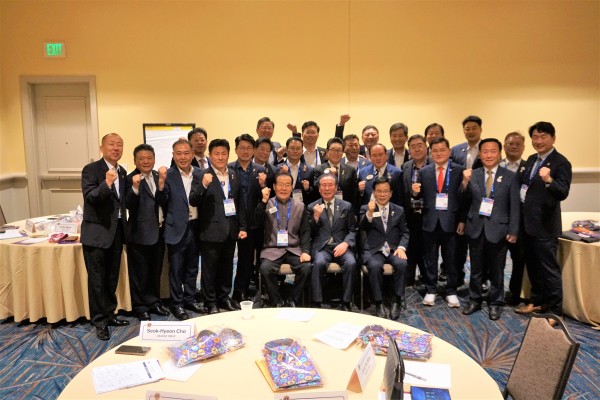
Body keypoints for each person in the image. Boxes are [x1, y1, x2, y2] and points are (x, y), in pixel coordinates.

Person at [459, 138, 520, 321]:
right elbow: (463, 200)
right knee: (476, 268)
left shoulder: (510, 176)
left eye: (493, 151)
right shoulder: (473, 174)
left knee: (497, 270)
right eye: (485, 151)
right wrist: (464, 182)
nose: (489, 155)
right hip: (476, 227)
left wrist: (513, 230)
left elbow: (514, 206)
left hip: (499, 229)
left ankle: (495, 303)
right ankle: (475, 300)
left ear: (499, 154)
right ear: (480, 154)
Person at [515, 122, 572, 319]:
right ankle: (537, 302)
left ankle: (555, 312)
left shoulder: (561, 163)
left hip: (545, 225)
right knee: (532, 266)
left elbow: (563, 192)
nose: (539, 141)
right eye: (535, 137)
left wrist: (549, 180)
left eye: (543, 136)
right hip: (527, 223)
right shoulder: (532, 159)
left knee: (549, 270)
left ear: (553, 138)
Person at [189, 139, 247, 314]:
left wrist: (242, 227)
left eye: (223, 154)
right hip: (210, 230)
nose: (220, 157)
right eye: (216, 154)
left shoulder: (233, 174)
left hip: (231, 229)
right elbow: (193, 200)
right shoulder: (201, 175)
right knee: (209, 269)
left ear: (228, 155)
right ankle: (210, 301)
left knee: (227, 266)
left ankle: (224, 297)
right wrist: (204, 185)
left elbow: (240, 203)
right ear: (210, 155)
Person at [81, 133, 129, 340]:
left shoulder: (123, 172)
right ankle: (99, 321)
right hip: (96, 234)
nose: (116, 148)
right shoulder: (91, 170)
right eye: (111, 144)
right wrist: (107, 183)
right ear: (102, 148)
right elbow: (91, 197)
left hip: (116, 232)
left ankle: (110, 314)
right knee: (97, 280)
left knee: (111, 277)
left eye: (120, 144)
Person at [413, 137, 465, 308]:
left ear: (449, 152)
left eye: (442, 150)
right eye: (434, 151)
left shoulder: (459, 171)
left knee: (451, 259)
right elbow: (419, 197)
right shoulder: (424, 172)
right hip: (430, 221)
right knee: (430, 258)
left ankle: (451, 291)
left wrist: (462, 220)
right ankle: (431, 289)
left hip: (451, 221)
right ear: (430, 153)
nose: (438, 153)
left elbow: (464, 198)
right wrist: (414, 193)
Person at [156, 139, 205, 320]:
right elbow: (161, 200)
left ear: (192, 154)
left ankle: (189, 299)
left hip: (196, 226)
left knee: (192, 267)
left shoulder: (200, 173)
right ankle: (176, 304)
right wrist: (161, 184)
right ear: (173, 155)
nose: (182, 157)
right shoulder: (168, 175)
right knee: (176, 269)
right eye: (179, 153)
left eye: (186, 153)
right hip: (176, 228)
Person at [125, 144, 170, 321]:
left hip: (159, 232)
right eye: (141, 159)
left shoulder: (159, 176)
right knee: (140, 274)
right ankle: (140, 306)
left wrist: (161, 185)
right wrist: (135, 188)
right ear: (135, 161)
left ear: (154, 159)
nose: (146, 161)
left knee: (155, 271)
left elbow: (164, 200)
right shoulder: (130, 178)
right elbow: (128, 204)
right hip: (139, 234)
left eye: (149, 158)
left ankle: (154, 302)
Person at [257, 173, 312, 307]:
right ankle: (276, 301)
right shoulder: (267, 203)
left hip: (294, 249)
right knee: (265, 268)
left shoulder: (300, 206)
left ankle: (293, 300)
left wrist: (305, 251)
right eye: (280, 185)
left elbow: (305, 231)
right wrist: (263, 202)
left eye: (288, 185)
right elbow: (256, 222)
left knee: (306, 267)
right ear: (274, 186)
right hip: (272, 249)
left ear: (292, 187)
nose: (284, 188)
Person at [359, 176, 410, 320]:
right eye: (379, 191)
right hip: (374, 250)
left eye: (386, 191)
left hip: (393, 249)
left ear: (391, 193)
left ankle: (396, 300)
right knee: (375, 266)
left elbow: (405, 232)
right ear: (374, 193)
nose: (382, 194)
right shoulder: (366, 208)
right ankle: (379, 302)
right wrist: (369, 213)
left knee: (402, 264)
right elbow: (362, 227)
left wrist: (402, 247)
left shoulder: (399, 210)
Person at [308, 174, 358, 311]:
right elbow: (309, 232)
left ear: (336, 188)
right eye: (323, 185)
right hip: (322, 248)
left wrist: (346, 243)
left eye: (330, 185)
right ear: (319, 189)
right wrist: (315, 217)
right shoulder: (312, 207)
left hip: (342, 246)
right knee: (318, 263)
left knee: (351, 263)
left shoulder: (346, 206)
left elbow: (353, 229)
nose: (327, 188)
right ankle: (317, 301)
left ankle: (346, 301)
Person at [228, 134, 268, 302]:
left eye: (249, 148)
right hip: (231, 220)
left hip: (252, 222)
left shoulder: (260, 170)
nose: (245, 151)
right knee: (228, 258)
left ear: (253, 150)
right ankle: (225, 292)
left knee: (246, 258)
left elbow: (265, 196)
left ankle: (241, 291)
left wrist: (263, 184)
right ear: (236, 150)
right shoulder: (228, 169)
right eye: (242, 148)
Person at [499, 131, 528, 306]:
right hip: (498, 221)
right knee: (496, 260)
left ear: (523, 147)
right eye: (510, 144)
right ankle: (495, 292)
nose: (514, 147)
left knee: (518, 260)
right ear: (504, 146)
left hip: (520, 223)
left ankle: (515, 292)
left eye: (518, 144)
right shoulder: (496, 166)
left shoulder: (529, 167)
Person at [400, 134, 430, 286]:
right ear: (409, 150)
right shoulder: (406, 166)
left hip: (428, 214)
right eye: (413, 147)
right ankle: (409, 280)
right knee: (411, 247)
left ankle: (428, 279)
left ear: (426, 147)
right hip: (411, 214)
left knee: (428, 249)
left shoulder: (433, 165)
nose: (417, 149)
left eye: (420, 145)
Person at [313, 137, 358, 211]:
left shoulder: (350, 170)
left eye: (339, 150)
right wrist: (329, 175)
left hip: (345, 209)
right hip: (324, 209)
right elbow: (315, 190)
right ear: (327, 151)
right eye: (333, 150)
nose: (336, 153)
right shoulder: (319, 169)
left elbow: (354, 193)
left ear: (343, 152)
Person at [277, 137, 315, 205]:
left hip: (302, 207)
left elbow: (314, 194)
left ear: (302, 151)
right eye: (292, 148)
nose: (295, 151)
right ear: (286, 150)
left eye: (298, 148)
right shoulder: (278, 169)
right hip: (281, 206)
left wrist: (307, 189)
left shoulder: (309, 170)